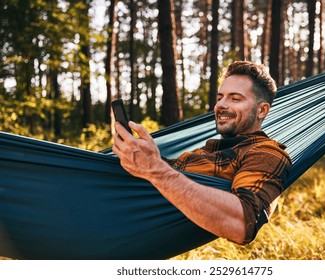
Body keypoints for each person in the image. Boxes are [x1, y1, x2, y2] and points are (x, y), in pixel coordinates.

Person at [112, 61, 291, 245]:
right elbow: (166, 174)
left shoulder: (266, 153)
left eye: (235, 98)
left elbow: (243, 223)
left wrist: (155, 169)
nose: (221, 105)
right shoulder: (205, 151)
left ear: (262, 110)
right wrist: (138, 154)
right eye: (220, 97)